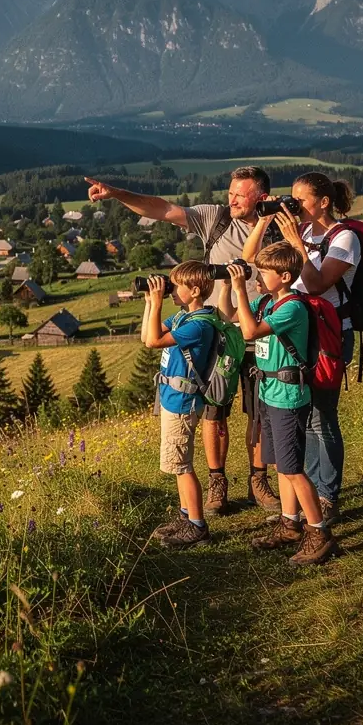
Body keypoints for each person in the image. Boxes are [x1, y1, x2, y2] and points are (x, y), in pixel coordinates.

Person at [87, 166, 280, 514]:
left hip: (260, 330)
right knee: (213, 412)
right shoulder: (216, 218)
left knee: (260, 413)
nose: (231, 199)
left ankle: (258, 480)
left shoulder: (279, 226)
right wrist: (116, 193)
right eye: (230, 192)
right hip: (215, 336)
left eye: (240, 194)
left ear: (261, 198)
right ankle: (217, 483)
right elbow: (161, 209)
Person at [240, 173, 359, 525]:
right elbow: (252, 258)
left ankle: (327, 496)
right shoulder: (304, 233)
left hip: (330, 337)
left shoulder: (345, 238)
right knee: (302, 420)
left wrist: (297, 243)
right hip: (301, 337)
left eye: (300, 200)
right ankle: (307, 494)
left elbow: (319, 284)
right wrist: (266, 218)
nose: (294, 206)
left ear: (323, 202)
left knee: (322, 420)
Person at [223, 244, 337, 565]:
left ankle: (319, 531)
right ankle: (291, 524)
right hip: (268, 394)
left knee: (292, 468)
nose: (258, 278)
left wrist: (239, 290)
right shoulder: (265, 302)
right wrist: (225, 287)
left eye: (264, 273)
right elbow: (231, 317)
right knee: (280, 467)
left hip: (288, 398)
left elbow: (249, 330)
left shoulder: (292, 308)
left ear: (285, 277)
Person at [142, 261, 218, 548]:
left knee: (182, 466)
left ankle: (197, 526)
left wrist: (158, 303)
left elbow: (152, 341)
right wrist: (151, 302)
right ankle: (186, 516)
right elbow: (145, 336)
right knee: (177, 464)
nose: (171, 290)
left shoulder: (197, 325)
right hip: (172, 399)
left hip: (183, 401)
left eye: (176, 286)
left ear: (195, 290)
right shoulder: (183, 318)